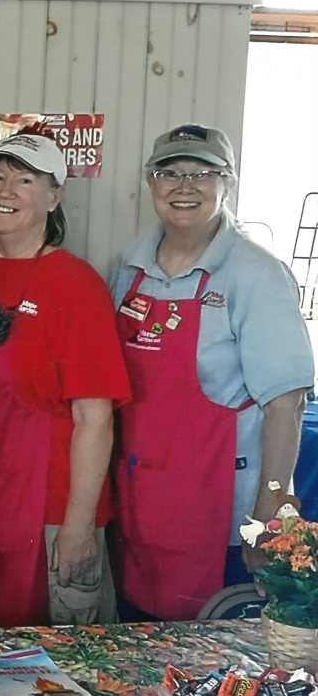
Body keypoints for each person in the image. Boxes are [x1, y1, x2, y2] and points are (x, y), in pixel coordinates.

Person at [110, 123, 312, 621]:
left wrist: (266, 517)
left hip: (219, 517)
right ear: (150, 183)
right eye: (169, 173)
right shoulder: (128, 267)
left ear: (229, 182)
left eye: (203, 172)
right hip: (141, 506)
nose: (185, 186)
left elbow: (286, 405)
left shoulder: (256, 274)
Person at [0, 131, 129, 627]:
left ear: (55, 197)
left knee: (59, 670)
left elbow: (94, 417)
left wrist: (79, 527)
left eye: (25, 180)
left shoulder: (76, 284)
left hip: (48, 516)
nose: (6, 191)